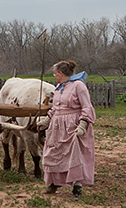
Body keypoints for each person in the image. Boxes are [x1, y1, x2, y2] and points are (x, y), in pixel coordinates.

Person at [41, 60, 95, 198]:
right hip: (57, 127)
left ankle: (77, 185)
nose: (54, 76)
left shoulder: (78, 86)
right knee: (53, 153)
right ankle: (54, 182)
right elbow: (56, 107)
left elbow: (87, 106)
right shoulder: (59, 86)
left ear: (60, 73)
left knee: (73, 155)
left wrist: (82, 125)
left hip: (72, 126)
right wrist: (47, 120)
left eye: (55, 73)